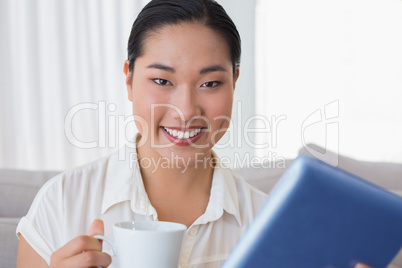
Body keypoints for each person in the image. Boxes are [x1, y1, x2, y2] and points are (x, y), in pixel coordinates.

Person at [15, 0, 373, 267]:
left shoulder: (270, 226)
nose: (186, 110)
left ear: (235, 81)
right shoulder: (61, 203)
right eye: (161, 81)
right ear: (128, 79)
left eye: (210, 83)